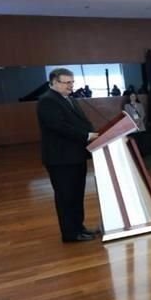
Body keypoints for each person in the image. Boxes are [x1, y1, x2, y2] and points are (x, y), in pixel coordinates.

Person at [36, 68, 99, 242]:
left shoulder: (70, 99)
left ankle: (79, 228)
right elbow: (59, 127)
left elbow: (83, 122)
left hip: (76, 156)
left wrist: (94, 133)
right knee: (66, 197)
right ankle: (70, 234)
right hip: (61, 159)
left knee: (77, 195)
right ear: (54, 83)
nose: (71, 86)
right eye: (66, 82)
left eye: (72, 82)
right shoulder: (47, 101)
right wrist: (87, 136)